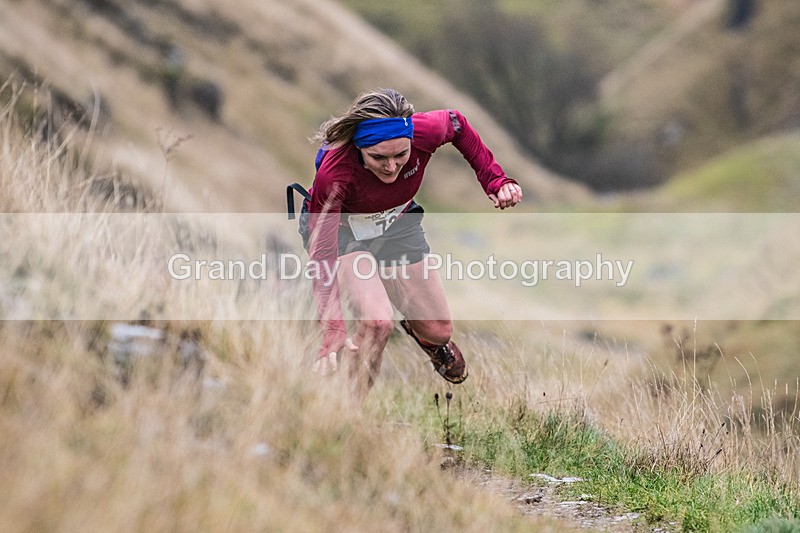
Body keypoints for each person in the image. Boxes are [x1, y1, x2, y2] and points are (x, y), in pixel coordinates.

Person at [304, 88, 522, 394]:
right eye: (378, 157)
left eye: (401, 155)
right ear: (359, 148)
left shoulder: (425, 131)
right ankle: (346, 415)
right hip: (344, 233)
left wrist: (494, 180)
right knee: (377, 322)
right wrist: (332, 329)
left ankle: (416, 329)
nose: (391, 167)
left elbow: (457, 124)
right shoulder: (335, 173)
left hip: (396, 224)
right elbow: (322, 254)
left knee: (438, 331)